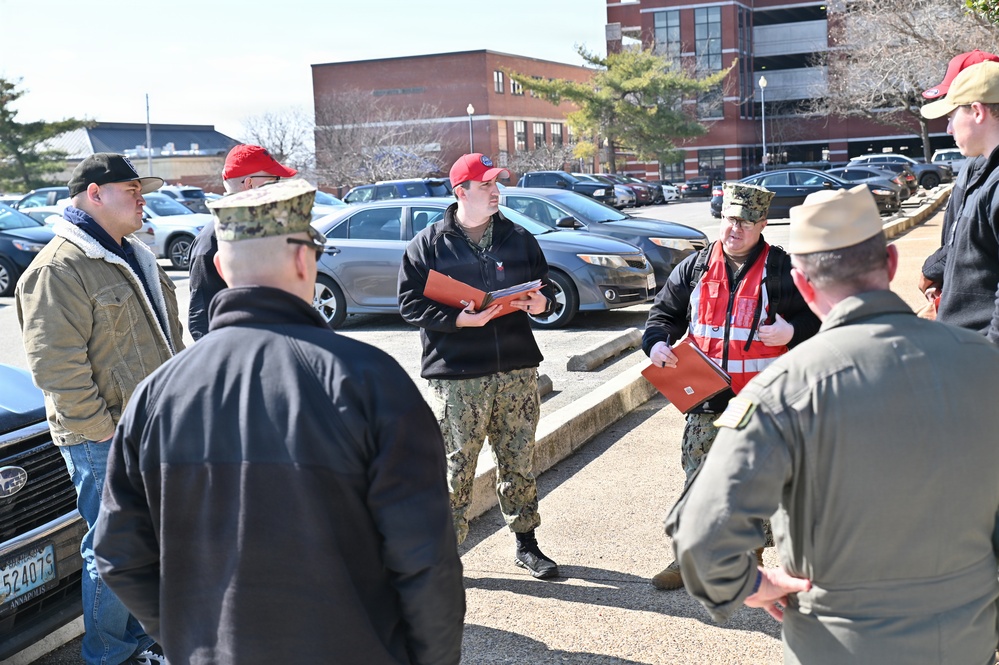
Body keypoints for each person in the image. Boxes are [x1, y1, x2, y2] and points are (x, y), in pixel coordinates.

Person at [93, 179, 465, 665]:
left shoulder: (155, 396)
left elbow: (119, 555)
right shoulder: (368, 381)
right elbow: (424, 559)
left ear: (223, 269)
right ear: (302, 260)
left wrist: (189, 636)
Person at [666, 185, 999, 664]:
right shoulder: (983, 362)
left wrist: (756, 585)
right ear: (890, 263)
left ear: (802, 285)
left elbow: (700, 535)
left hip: (839, 644)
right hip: (967, 638)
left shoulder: (784, 390)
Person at [14, 153, 183, 665]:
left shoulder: (134, 255)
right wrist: (103, 434)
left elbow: (167, 339)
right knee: (113, 547)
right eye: (130, 188)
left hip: (150, 429)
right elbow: (57, 370)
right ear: (94, 193)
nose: (142, 197)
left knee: (146, 543)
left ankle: (139, 639)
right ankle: (109, 653)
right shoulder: (59, 268)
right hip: (102, 438)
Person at [641, 182, 820, 591]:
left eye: (743, 222)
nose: (733, 228)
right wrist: (656, 345)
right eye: (728, 219)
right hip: (706, 397)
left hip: (761, 400)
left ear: (762, 224)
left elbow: (823, 320)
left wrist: (792, 330)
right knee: (697, 476)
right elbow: (663, 316)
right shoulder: (696, 267)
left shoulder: (783, 271)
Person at [398, 153, 559, 579]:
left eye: (497, 183)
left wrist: (543, 304)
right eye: (486, 184)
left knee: (518, 461)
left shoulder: (519, 237)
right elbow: (410, 304)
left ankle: (527, 544)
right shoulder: (428, 243)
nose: (495, 191)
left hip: (516, 372)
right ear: (461, 192)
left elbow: (546, 292)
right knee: (455, 467)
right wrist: (457, 320)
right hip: (458, 378)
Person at [920, 60, 999, 341]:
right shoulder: (986, 174)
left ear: (977, 111)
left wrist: (989, 356)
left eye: (953, 115)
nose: (949, 128)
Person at [186, 143, 297, 339]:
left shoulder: (265, 229)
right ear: (250, 183)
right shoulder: (212, 240)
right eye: (274, 180)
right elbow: (202, 322)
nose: (280, 187)